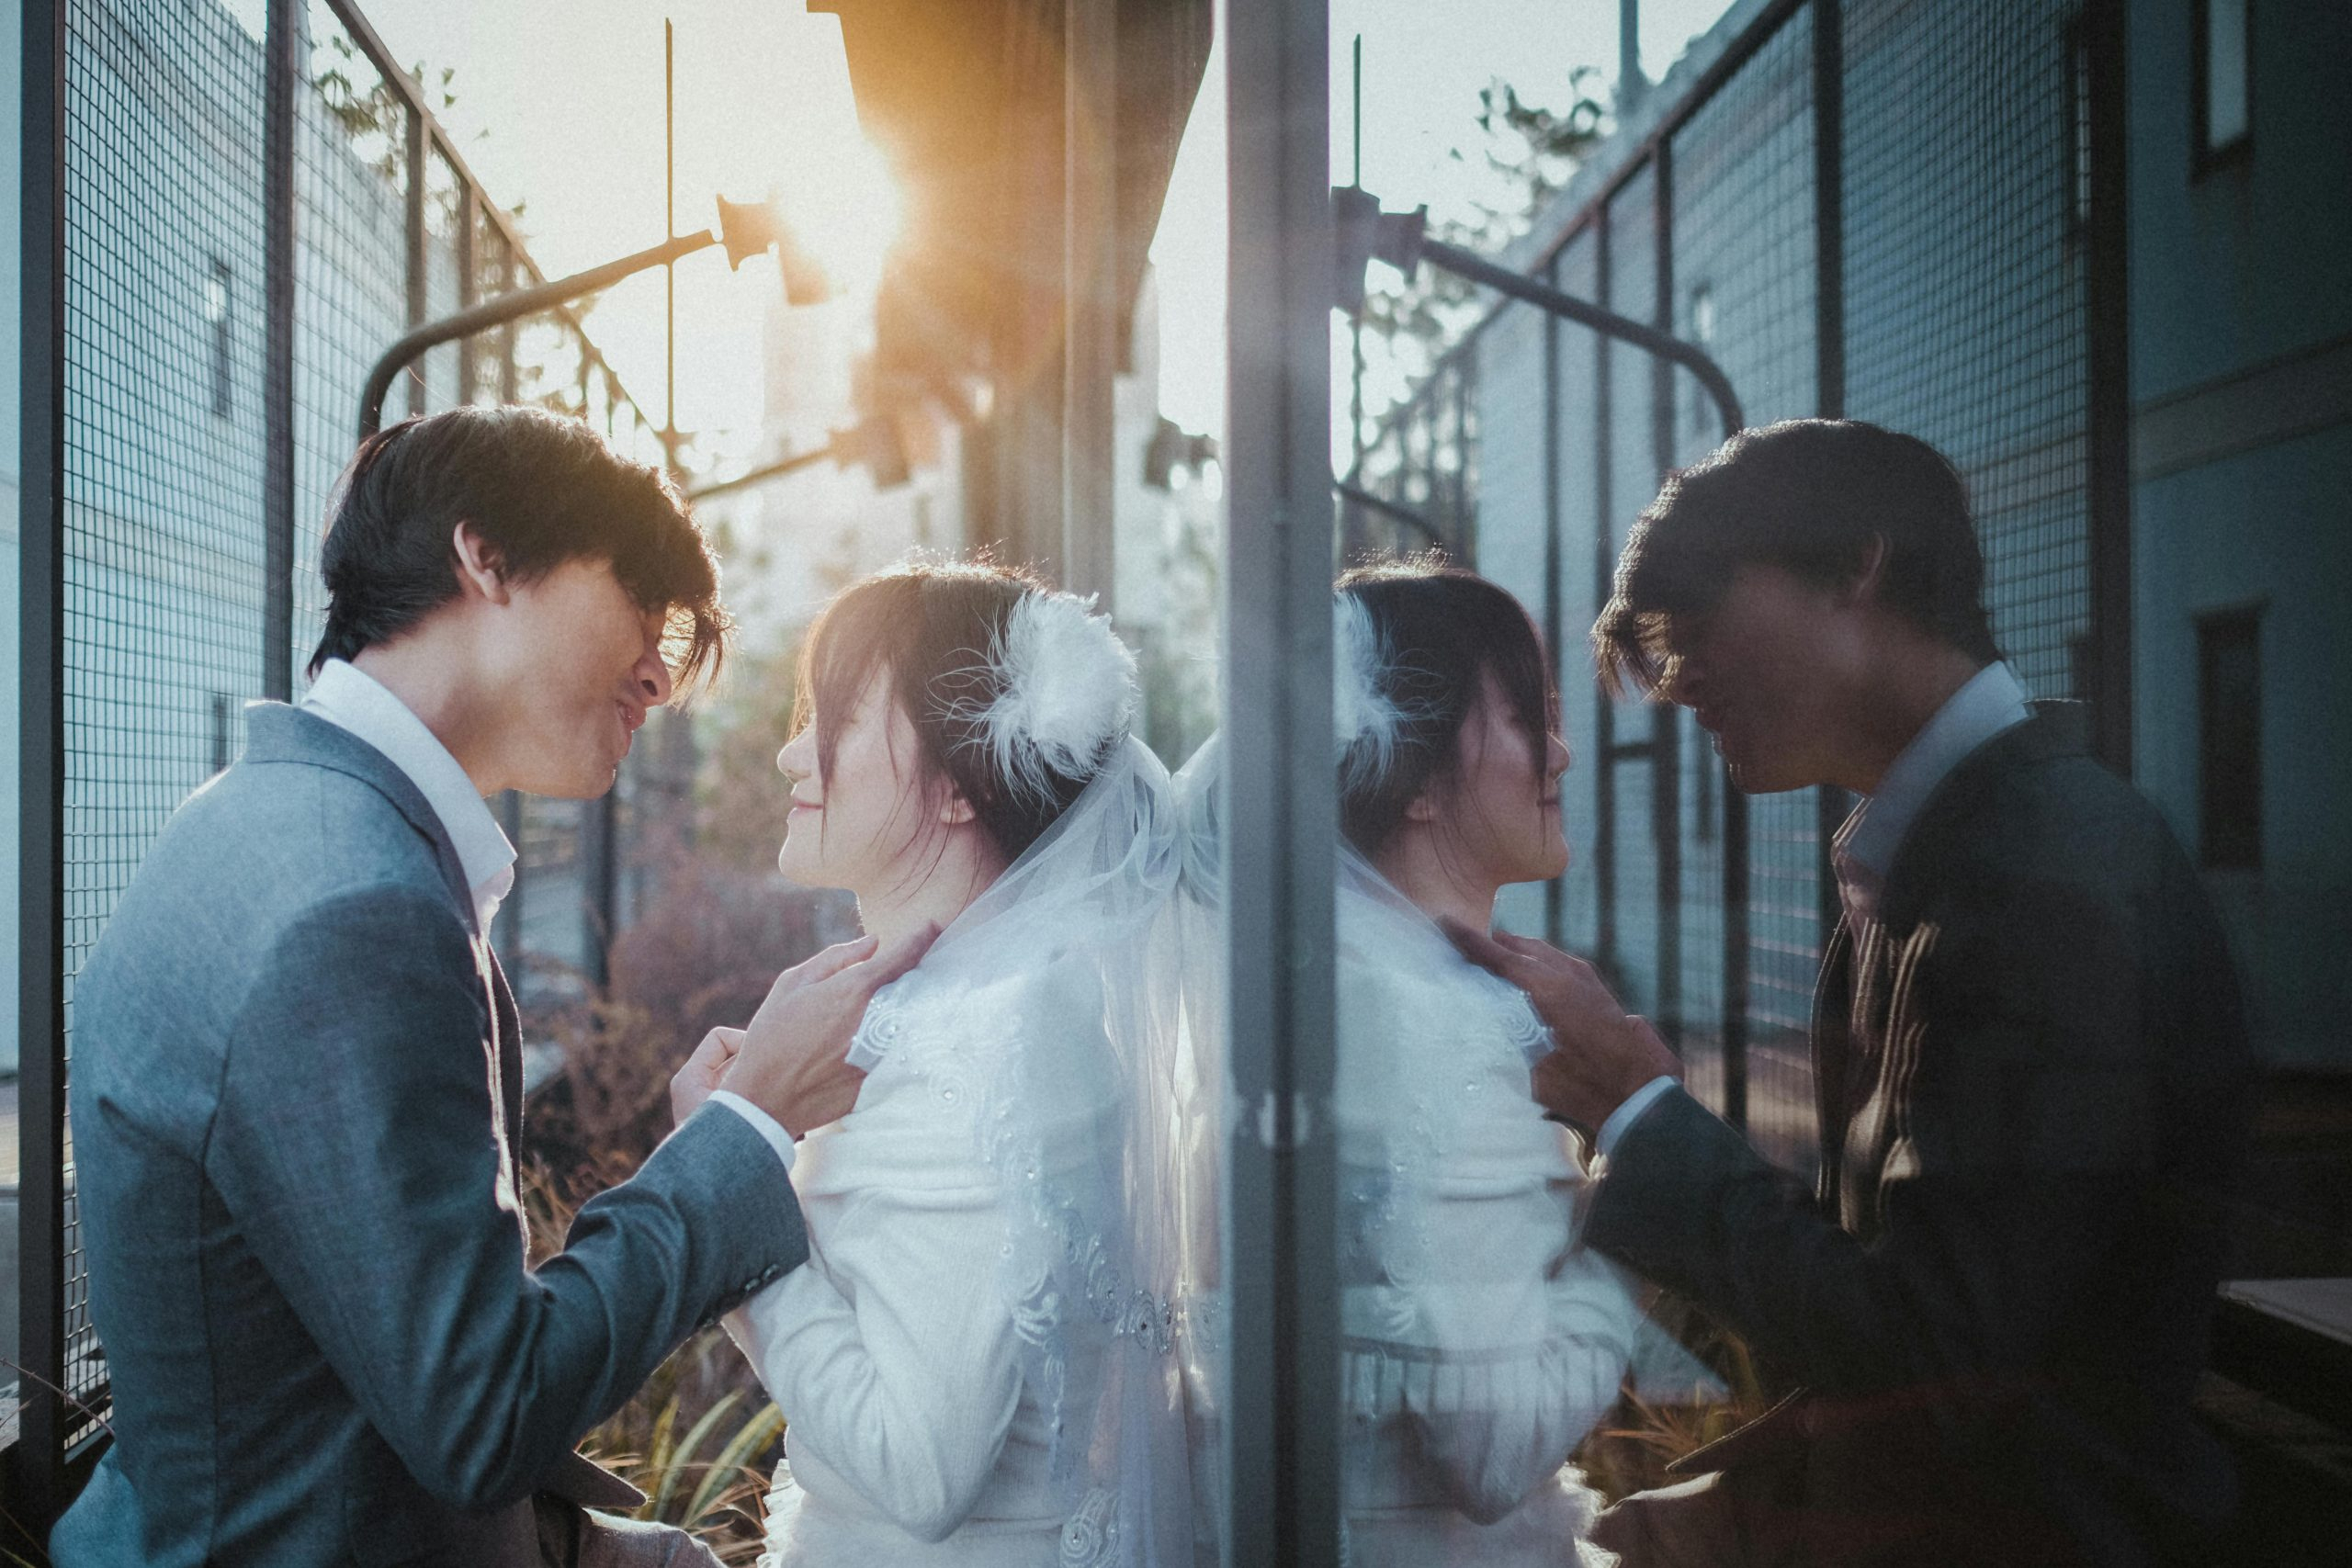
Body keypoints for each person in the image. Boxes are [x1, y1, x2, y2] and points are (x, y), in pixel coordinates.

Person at [53, 406, 927, 1568]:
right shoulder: (355, 909)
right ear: (487, 557)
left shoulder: (267, 817)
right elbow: (479, 1412)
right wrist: (748, 1123)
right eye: (640, 603)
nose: (660, 675)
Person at [1448, 419, 2255, 1567]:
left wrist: (1638, 1112)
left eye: (1694, 624)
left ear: (1856, 567)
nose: (1675, 683)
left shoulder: (2042, 876)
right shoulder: (1950, 847)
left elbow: (1936, 1349)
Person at [726, 560, 1193, 1567]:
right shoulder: (1010, 1008)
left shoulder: (964, 1049)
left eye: (836, 718)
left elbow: (917, 1470)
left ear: (953, 787)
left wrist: (728, 1193)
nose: (789, 753)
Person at [1330, 561, 1640, 1566]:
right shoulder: (1443, 1029)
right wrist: (1636, 1171)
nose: (1560, 755)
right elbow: (1497, 1449)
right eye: (1526, 718)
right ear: (1416, 780)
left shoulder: (1340, 990)